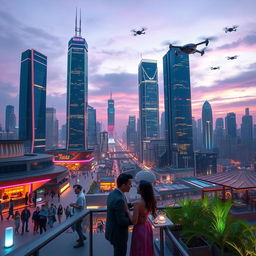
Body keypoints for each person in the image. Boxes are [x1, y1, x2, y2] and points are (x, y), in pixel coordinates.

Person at [105, 173, 133, 256]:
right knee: (120, 253)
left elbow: (118, 208)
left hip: (112, 231)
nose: (130, 187)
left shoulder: (113, 193)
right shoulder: (119, 199)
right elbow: (121, 221)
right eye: (129, 184)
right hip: (119, 235)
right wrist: (135, 220)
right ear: (123, 185)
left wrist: (131, 205)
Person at [127, 181, 156, 256]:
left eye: (138, 186)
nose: (137, 187)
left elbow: (134, 221)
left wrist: (127, 211)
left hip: (139, 229)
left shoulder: (137, 204)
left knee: (139, 250)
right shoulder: (150, 201)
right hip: (147, 227)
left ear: (142, 190)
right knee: (147, 248)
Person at [70, 184, 86, 248]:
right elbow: (79, 204)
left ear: (79, 189)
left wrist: (72, 205)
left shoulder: (80, 197)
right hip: (79, 214)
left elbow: (80, 207)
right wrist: (74, 203)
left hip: (79, 215)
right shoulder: (80, 195)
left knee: (77, 228)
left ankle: (81, 242)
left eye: (75, 189)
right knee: (79, 227)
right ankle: (82, 237)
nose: (74, 191)